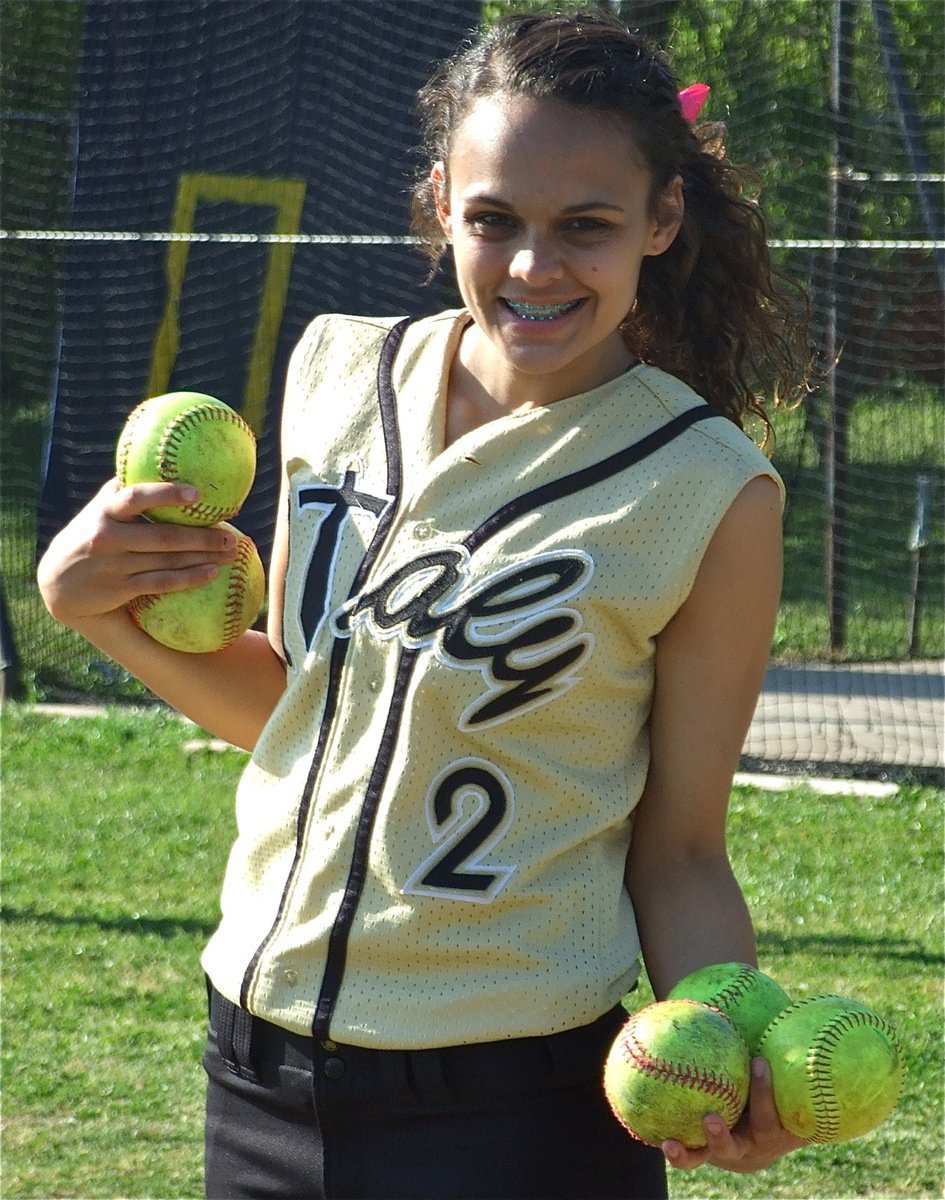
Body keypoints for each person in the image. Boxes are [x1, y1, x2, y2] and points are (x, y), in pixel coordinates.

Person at [38, 10, 811, 1198]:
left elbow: (684, 849)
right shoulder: (336, 374)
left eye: (586, 227)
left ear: (661, 222)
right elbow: (316, 720)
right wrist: (94, 607)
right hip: (255, 1067)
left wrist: (730, 1035)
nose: (532, 266)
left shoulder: (706, 491)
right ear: (443, 199)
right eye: (494, 219)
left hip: (516, 1104)